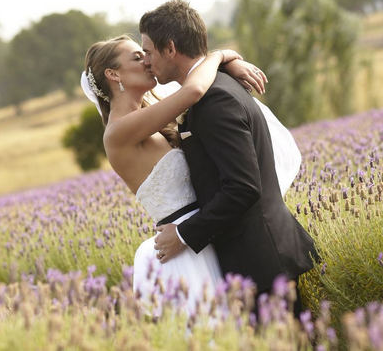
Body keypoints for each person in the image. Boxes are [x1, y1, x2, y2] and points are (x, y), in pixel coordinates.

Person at [139, 0, 319, 318]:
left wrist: (184, 234)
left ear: (170, 49)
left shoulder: (215, 101)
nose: (146, 62)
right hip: (256, 258)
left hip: (260, 259)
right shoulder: (215, 87)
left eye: (149, 52)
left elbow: (243, 187)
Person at [81, 34, 274, 314]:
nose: (147, 62)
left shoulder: (151, 118)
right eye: (137, 57)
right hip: (183, 250)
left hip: (206, 235)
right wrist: (220, 57)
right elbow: (193, 91)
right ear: (113, 74)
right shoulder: (118, 132)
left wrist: (226, 70)